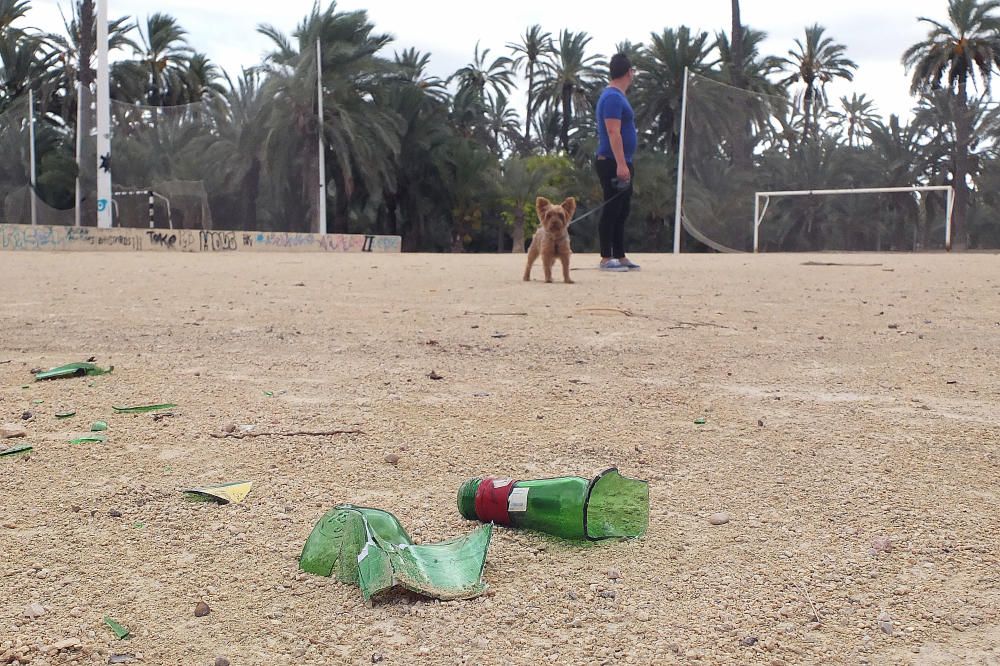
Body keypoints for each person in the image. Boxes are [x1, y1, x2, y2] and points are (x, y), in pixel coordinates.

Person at [594, 53, 640, 271]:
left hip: (623, 160)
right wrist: (621, 164)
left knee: (623, 210)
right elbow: (613, 132)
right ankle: (606, 257)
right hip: (612, 161)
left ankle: (620, 255)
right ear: (629, 72)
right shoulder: (612, 97)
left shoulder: (619, 97)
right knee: (611, 209)